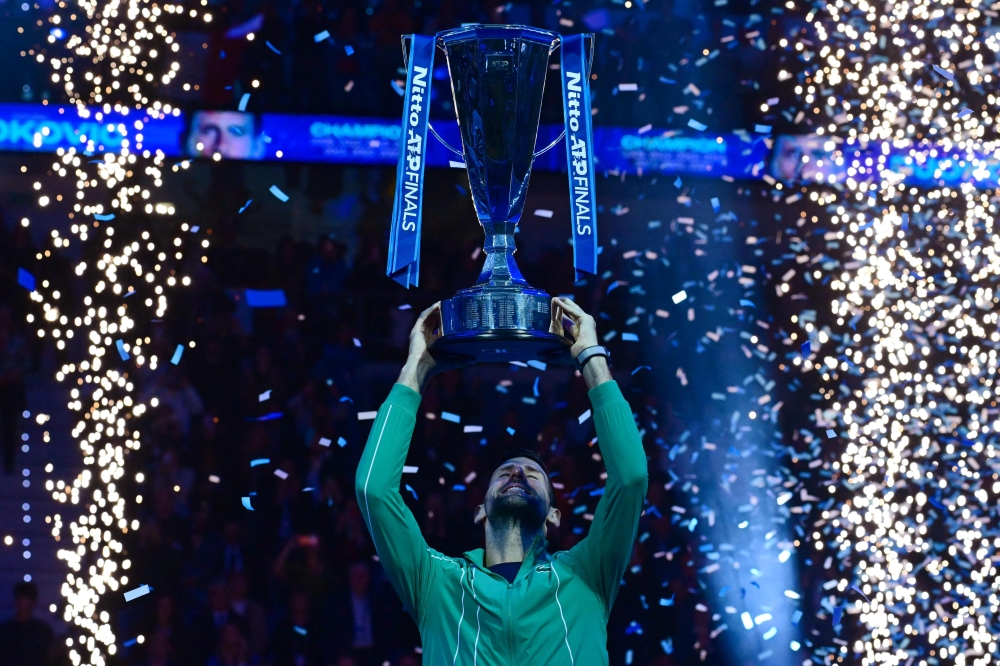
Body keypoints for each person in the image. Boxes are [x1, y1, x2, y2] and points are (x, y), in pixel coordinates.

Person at [355, 298, 648, 665]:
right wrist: (414, 369)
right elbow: (373, 489)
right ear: (480, 510)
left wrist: (591, 356)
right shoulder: (436, 582)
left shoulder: (587, 571)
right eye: (505, 472)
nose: (519, 473)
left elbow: (631, 477)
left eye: (534, 474)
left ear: (554, 515)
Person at [0, 582, 54, 665]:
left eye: (24, 598)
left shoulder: (42, 631)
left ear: (33, 602)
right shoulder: (5, 630)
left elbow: (48, 657)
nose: (21, 602)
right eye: (19, 598)